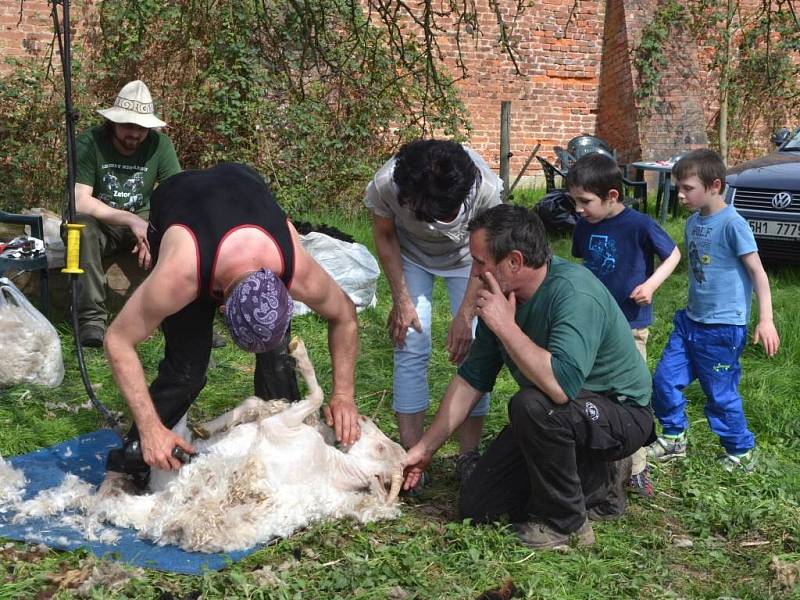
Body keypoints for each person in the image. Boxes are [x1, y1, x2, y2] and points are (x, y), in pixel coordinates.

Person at [403, 204, 655, 550]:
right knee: (479, 506)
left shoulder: (574, 293)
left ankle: (566, 524)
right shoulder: (503, 297)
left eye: (480, 262)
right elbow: (470, 381)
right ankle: (593, 484)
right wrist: (425, 449)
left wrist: (506, 325)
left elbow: (559, 386)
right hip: (560, 417)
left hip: (619, 415)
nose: (475, 272)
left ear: (515, 262)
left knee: (532, 404)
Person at [103, 163, 360, 485]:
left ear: (283, 288)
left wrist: (344, 395)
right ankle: (135, 455)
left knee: (277, 358)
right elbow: (117, 340)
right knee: (187, 369)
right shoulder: (178, 277)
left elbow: (345, 316)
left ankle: (280, 443)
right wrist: (152, 428)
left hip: (242, 183)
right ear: (222, 308)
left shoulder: (297, 268)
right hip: (181, 202)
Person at [365, 139, 502, 487]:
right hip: (410, 256)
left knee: (474, 351)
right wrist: (402, 299)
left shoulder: (484, 188)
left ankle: (468, 456)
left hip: (469, 259)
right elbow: (384, 235)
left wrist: (465, 314)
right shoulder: (386, 184)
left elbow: (487, 252)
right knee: (410, 341)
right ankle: (410, 455)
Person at [649, 149, 780, 472]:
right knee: (664, 379)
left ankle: (740, 451)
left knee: (719, 394)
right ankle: (674, 437)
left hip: (723, 328)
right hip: (690, 321)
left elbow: (758, 274)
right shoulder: (694, 222)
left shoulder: (733, 224)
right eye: (678, 187)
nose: (680, 195)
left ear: (714, 186)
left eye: (687, 188)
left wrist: (766, 319)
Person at [568, 153, 681, 497]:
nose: (578, 209)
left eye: (584, 201)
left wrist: (650, 285)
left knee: (631, 397)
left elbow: (673, 254)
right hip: (594, 326)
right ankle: (593, 461)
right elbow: (584, 263)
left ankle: (637, 467)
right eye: (574, 201)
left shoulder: (639, 225)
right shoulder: (586, 223)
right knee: (590, 391)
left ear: (612, 196)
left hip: (630, 326)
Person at [72, 80, 182, 347]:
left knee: (180, 234)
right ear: (113, 123)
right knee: (79, 228)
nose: (134, 133)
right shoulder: (90, 142)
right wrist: (131, 219)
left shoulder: (160, 145)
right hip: (102, 224)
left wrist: (156, 231)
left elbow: (177, 196)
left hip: (144, 223)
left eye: (141, 128)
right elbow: (79, 201)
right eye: (128, 126)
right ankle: (92, 320)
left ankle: (183, 320)